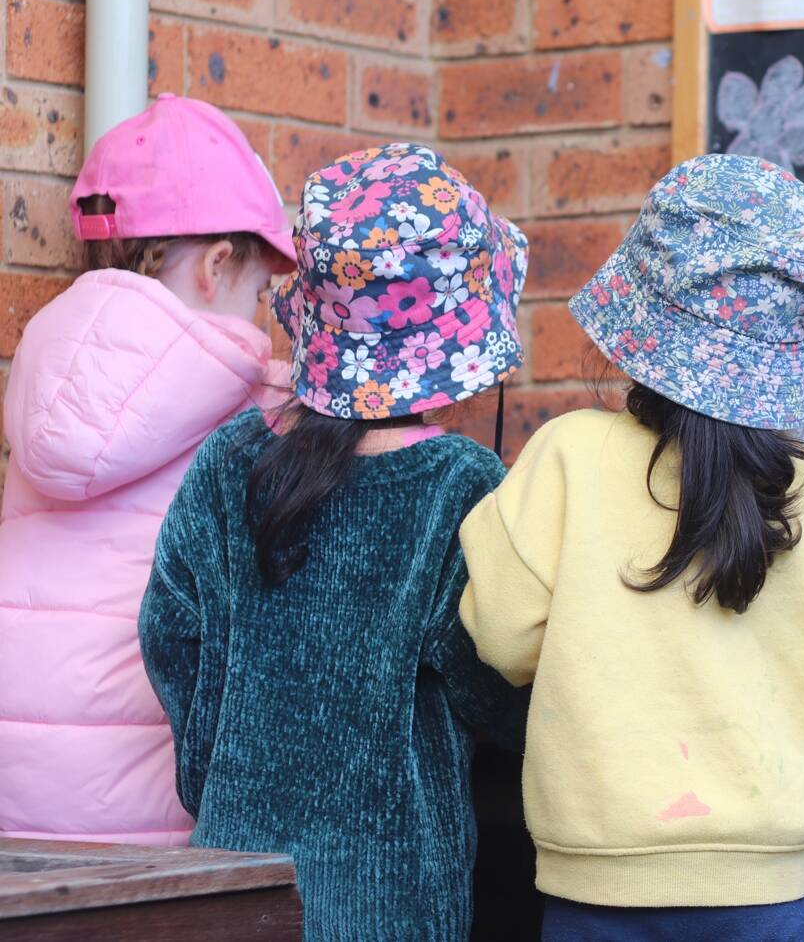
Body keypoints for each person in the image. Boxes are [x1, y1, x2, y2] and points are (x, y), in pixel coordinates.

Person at [457, 153, 804, 941]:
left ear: (642, 318)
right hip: (768, 890)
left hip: (598, 878)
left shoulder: (567, 458)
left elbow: (502, 636)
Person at [138, 144, 530, 941]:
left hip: (232, 886)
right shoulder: (459, 485)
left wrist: (218, 778)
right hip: (395, 900)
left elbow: (168, 632)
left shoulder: (230, 459)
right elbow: (500, 690)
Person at [0, 94, 293, 844]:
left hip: (14, 788)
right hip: (145, 805)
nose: (260, 315)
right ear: (218, 264)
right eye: (261, 292)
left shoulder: (43, 364)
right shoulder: (247, 398)